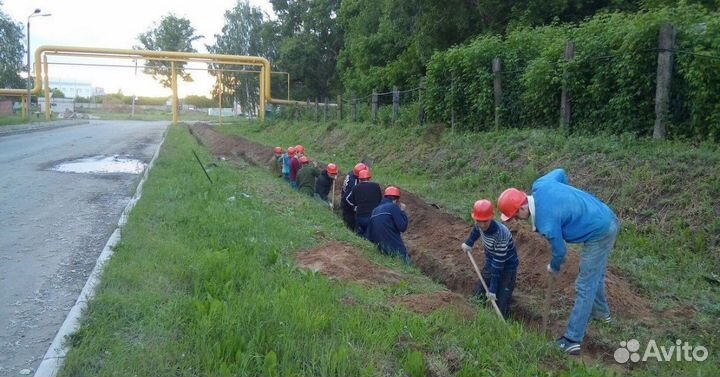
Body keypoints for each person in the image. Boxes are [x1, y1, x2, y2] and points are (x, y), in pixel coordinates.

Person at [498, 168, 620, 356]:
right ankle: (602, 315)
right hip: (603, 214)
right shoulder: (540, 185)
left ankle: (572, 341)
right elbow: (560, 173)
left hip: (600, 231)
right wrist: (565, 201)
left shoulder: (547, 223)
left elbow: (561, 253)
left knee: (584, 284)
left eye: (514, 216)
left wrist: (553, 267)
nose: (515, 220)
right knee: (594, 274)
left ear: (523, 208)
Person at [461, 199, 519, 319]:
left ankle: (501, 319)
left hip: (507, 266)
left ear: (491, 218)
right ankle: (475, 312)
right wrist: (469, 243)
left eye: (485, 222)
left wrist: (492, 289)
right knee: (480, 291)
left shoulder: (500, 235)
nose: (482, 225)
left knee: (502, 298)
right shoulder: (479, 224)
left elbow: (498, 266)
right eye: (479, 221)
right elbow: (475, 231)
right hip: (490, 259)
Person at [366, 186, 410, 263]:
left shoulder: (374, 210)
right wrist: (402, 211)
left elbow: (369, 235)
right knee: (405, 262)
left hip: (380, 247)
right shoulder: (393, 207)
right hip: (394, 246)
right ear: (396, 200)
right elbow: (402, 227)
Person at [345, 169, 382, 237]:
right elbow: (379, 199)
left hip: (360, 216)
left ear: (359, 179)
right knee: (372, 234)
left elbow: (354, 202)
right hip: (373, 216)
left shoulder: (355, 188)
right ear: (369, 178)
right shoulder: (376, 186)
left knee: (360, 234)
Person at [341, 162, 367, 231]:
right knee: (350, 225)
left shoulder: (351, 173)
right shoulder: (353, 184)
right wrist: (354, 207)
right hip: (348, 207)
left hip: (347, 199)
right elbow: (346, 198)